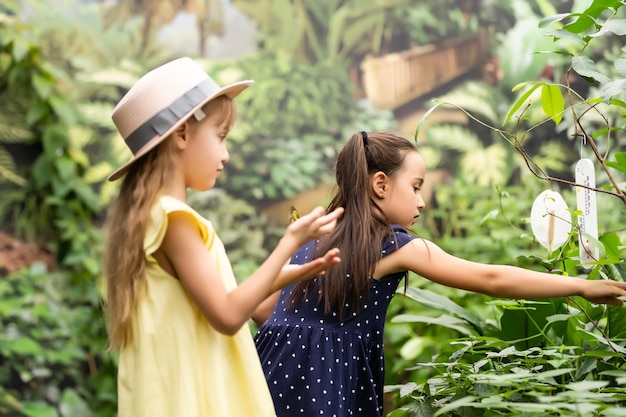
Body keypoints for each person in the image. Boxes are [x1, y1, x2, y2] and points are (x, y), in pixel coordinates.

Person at [253, 131, 626, 417]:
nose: (421, 200)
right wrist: (580, 286)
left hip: (269, 374)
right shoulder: (394, 245)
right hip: (326, 384)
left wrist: (310, 332)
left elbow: (262, 308)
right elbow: (489, 279)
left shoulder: (315, 236)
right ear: (380, 184)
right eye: (415, 187)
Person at [102, 57, 344, 417]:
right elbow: (228, 315)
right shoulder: (175, 220)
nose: (226, 155)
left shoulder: (153, 217)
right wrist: (289, 243)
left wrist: (294, 273)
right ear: (182, 134)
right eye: (220, 136)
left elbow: (222, 300)